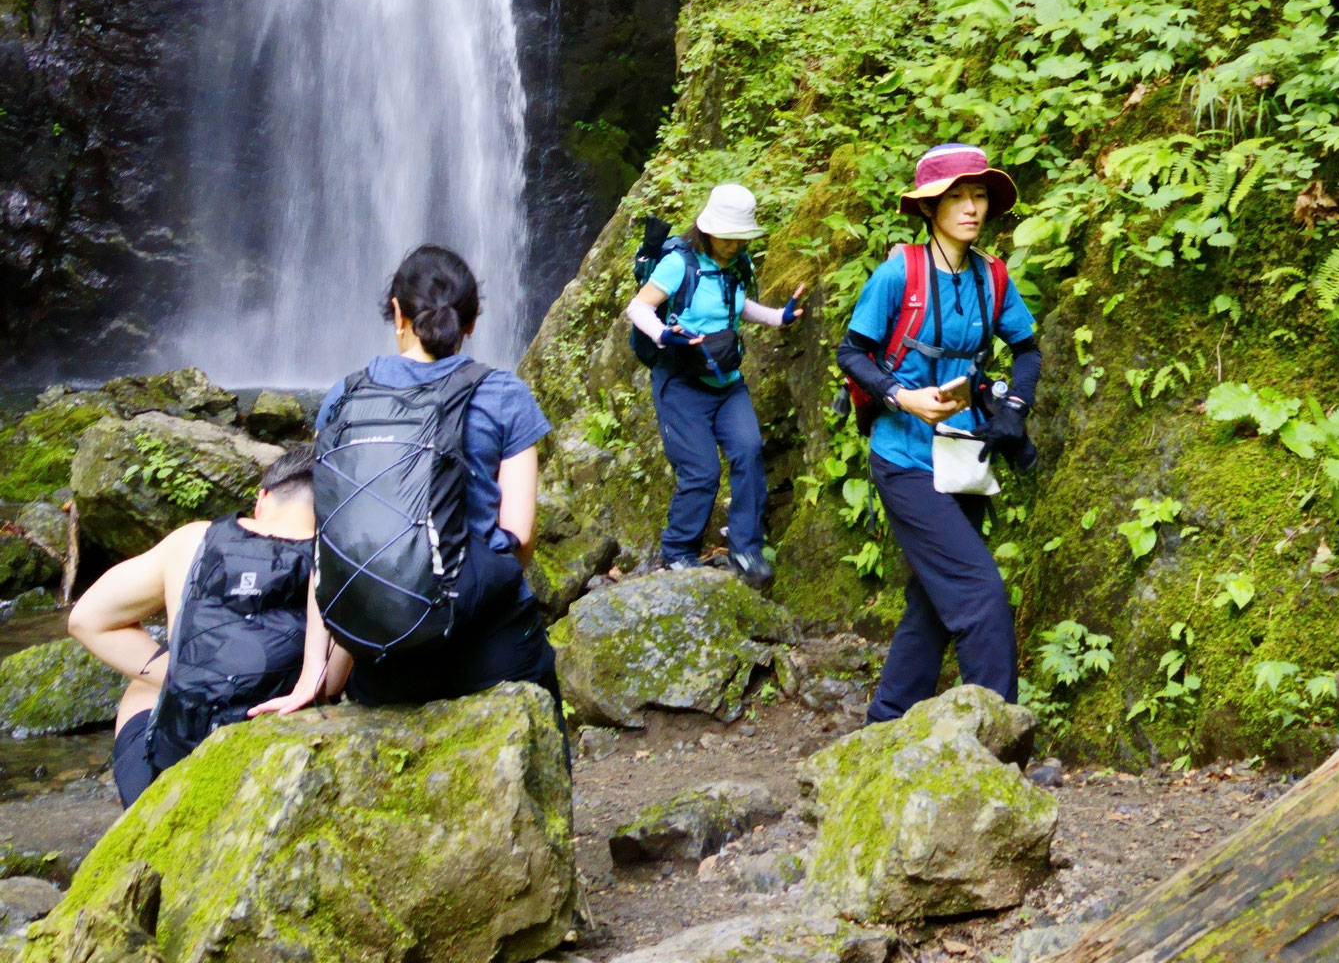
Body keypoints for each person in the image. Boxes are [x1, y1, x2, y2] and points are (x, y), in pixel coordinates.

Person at [252, 244, 559, 721]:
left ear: (396, 312)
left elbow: (331, 546)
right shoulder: (505, 394)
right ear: (471, 322)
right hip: (491, 651)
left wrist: (314, 674)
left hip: (385, 657)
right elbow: (519, 539)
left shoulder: (345, 396)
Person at [836, 144, 1042, 721]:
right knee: (980, 596)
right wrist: (902, 396)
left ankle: (887, 721)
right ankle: (1000, 741)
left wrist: (1015, 409)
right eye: (956, 196)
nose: (972, 208)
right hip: (904, 458)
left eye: (978, 195)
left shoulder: (990, 276)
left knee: (931, 603)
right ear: (930, 208)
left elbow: (1025, 349)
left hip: (964, 459)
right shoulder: (900, 271)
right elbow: (852, 352)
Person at [67, 443, 330, 807]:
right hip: (271, 771)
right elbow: (330, 683)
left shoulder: (194, 539)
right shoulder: (338, 560)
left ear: (263, 499)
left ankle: (143, 814)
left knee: (141, 688)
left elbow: (86, 620)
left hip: (170, 782)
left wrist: (177, 671)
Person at [626, 182, 806, 590]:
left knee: (748, 452)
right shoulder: (679, 264)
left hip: (727, 383)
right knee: (702, 471)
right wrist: (661, 334)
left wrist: (781, 317)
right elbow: (639, 306)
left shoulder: (739, 265)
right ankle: (677, 553)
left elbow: (737, 306)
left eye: (740, 236)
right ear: (708, 229)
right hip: (681, 384)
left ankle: (746, 548)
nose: (734, 243)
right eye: (728, 235)